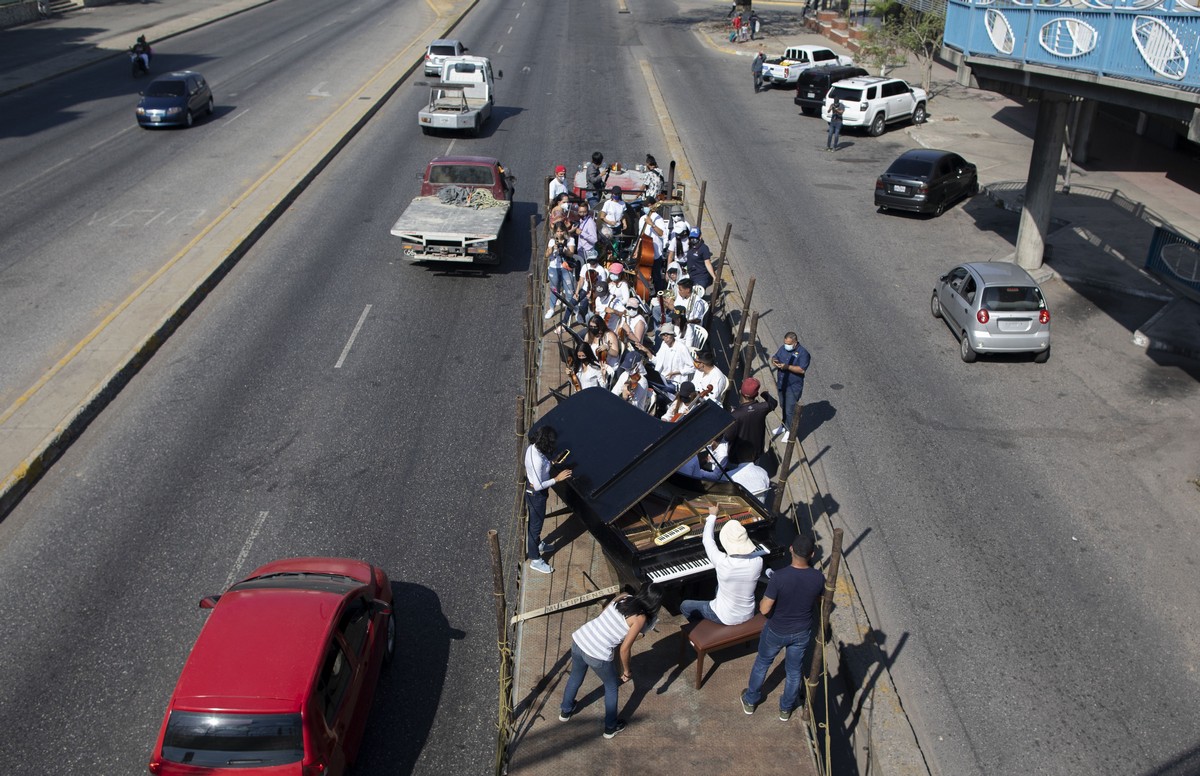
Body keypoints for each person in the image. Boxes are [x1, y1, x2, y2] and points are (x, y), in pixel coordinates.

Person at [559, 583, 664, 739]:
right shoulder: (640, 619)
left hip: (580, 639)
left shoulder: (624, 597)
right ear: (655, 603)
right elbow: (624, 649)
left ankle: (566, 711)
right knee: (611, 686)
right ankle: (610, 727)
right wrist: (627, 671)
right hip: (598, 653)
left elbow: (606, 615)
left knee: (575, 675)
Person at [741, 534, 825, 721]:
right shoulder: (818, 577)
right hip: (802, 632)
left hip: (776, 630)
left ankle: (750, 700)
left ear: (791, 549)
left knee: (762, 663)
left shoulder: (779, 577)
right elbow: (819, 600)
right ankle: (785, 709)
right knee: (794, 671)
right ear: (811, 554)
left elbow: (764, 609)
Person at [680, 507, 764, 625]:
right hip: (748, 613)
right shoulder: (758, 561)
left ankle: (702, 629)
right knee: (718, 587)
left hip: (725, 617)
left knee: (685, 605)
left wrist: (712, 516)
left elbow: (707, 540)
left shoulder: (722, 562)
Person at [524, 427, 572, 575]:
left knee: (536, 524)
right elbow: (538, 486)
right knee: (535, 527)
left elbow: (541, 469)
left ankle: (538, 544)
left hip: (536, 493)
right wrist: (557, 479)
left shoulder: (533, 448)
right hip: (536, 495)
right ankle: (535, 559)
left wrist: (552, 462)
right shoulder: (537, 460)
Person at [725, 377, 778, 465]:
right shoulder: (762, 408)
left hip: (737, 456)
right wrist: (765, 394)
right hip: (755, 453)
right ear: (756, 394)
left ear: (740, 392)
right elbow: (773, 403)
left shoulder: (735, 415)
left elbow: (727, 437)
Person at [771, 332, 811, 443]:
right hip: (782, 383)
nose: (786, 345)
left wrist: (787, 367)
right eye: (785, 343)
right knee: (783, 405)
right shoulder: (783, 349)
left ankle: (790, 430)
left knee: (790, 409)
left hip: (793, 386)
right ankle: (783, 425)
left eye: (788, 343)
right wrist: (774, 361)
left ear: (795, 342)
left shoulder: (803, 353)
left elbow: (802, 369)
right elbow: (775, 356)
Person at [634, 322, 693, 392]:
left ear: (672, 335)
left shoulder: (682, 348)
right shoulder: (664, 345)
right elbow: (657, 361)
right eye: (663, 336)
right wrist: (646, 351)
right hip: (663, 378)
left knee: (661, 393)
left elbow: (692, 367)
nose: (665, 338)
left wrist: (676, 372)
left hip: (675, 382)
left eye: (667, 335)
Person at [544, 224, 577, 321]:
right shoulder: (552, 241)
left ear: (565, 231)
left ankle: (570, 309)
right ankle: (551, 309)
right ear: (554, 232)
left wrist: (565, 250)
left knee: (569, 289)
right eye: (557, 231)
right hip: (554, 267)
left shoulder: (570, 240)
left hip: (566, 267)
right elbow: (546, 255)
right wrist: (552, 248)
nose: (559, 233)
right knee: (554, 289)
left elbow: (571, 253)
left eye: (561, 231)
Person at [683, 228, 716, 293]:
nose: (693, 239)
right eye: (691, 237)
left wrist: (714, 276)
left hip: (701, 277)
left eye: (695, 237)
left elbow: (708, 263)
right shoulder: (691, 246)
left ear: (700, 237)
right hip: (691, 275)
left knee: (696, 295)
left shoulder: (704, 248)